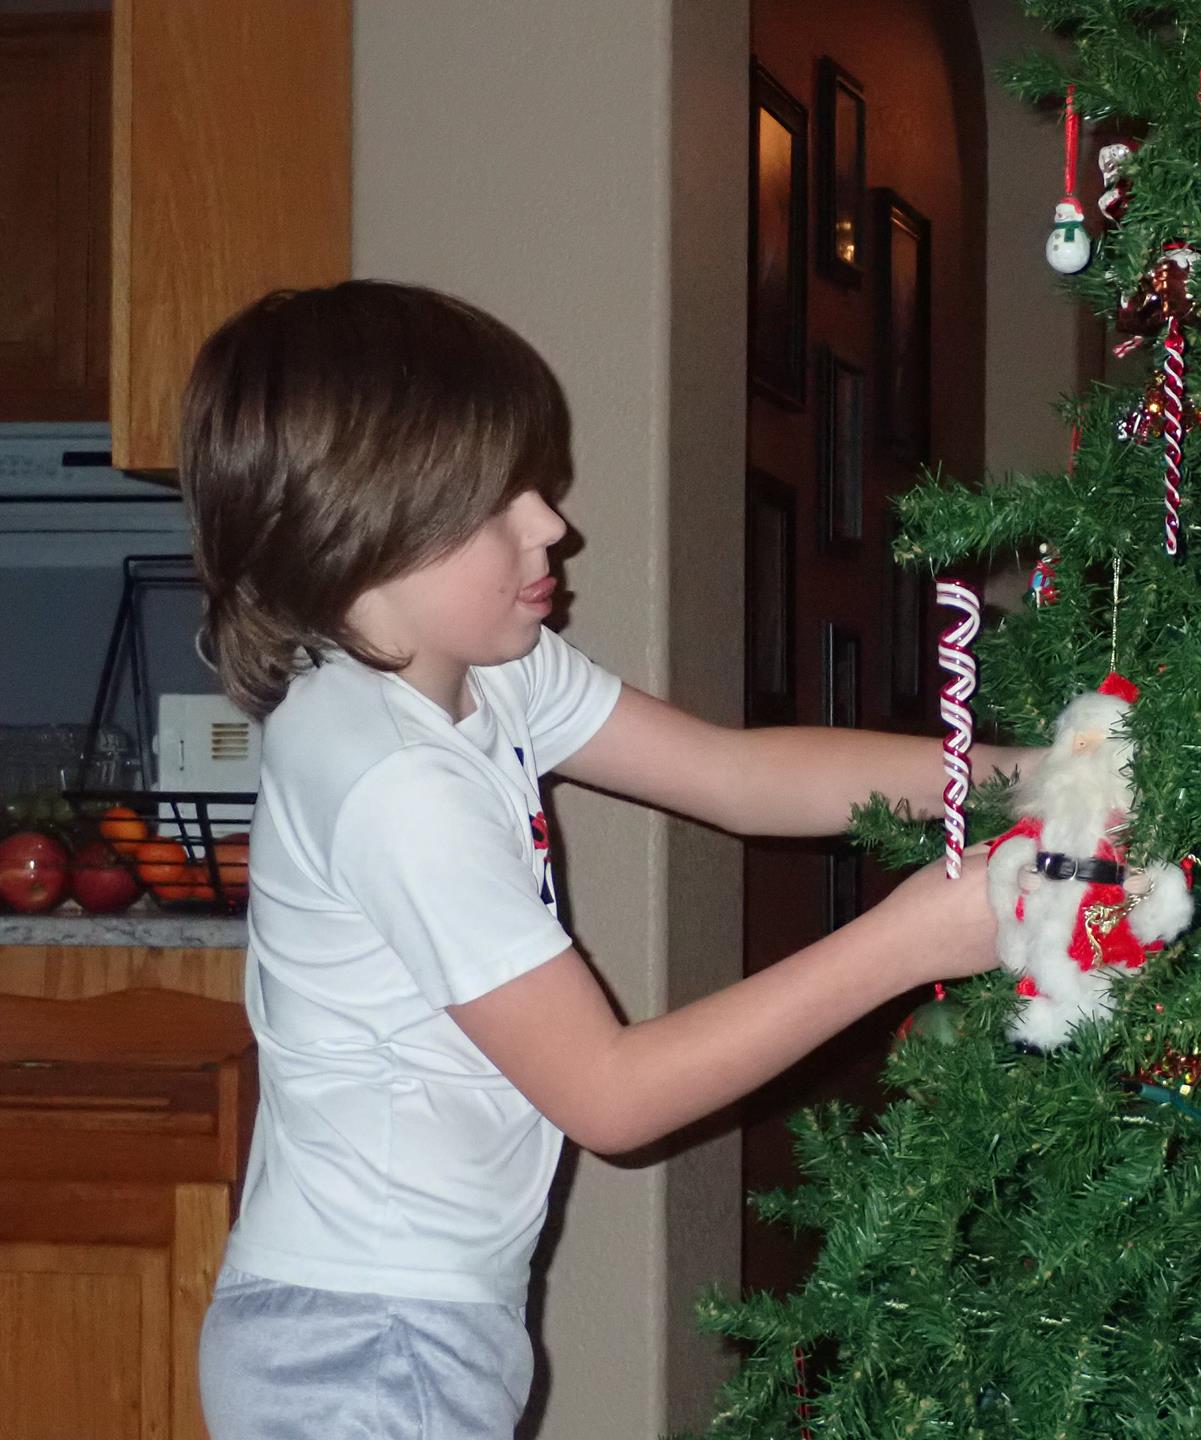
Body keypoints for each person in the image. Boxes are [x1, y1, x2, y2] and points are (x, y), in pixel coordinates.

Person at [181, 281, 1012, 1440]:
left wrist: (1028, 777)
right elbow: (609, 1094)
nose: (550, 525)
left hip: (403, 1321)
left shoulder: (485, 669)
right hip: (363, 1348)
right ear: (355, 535)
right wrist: (911, 939)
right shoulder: (393, 782)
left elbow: (736, 776)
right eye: (493, 503)